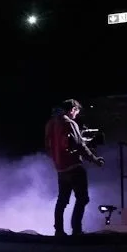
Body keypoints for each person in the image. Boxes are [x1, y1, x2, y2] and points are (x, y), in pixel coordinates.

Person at [45, 98, 104, 238]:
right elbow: (80, 146)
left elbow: (50, 146)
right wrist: (95, 159)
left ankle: (58, 231)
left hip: (60, 168)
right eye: (77, 112)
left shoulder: (50, 123)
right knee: (82, 198)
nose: (76, 115)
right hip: (74, 167)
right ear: (72, 109)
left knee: (62, 200)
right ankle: (76, 230)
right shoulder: (69, 123)